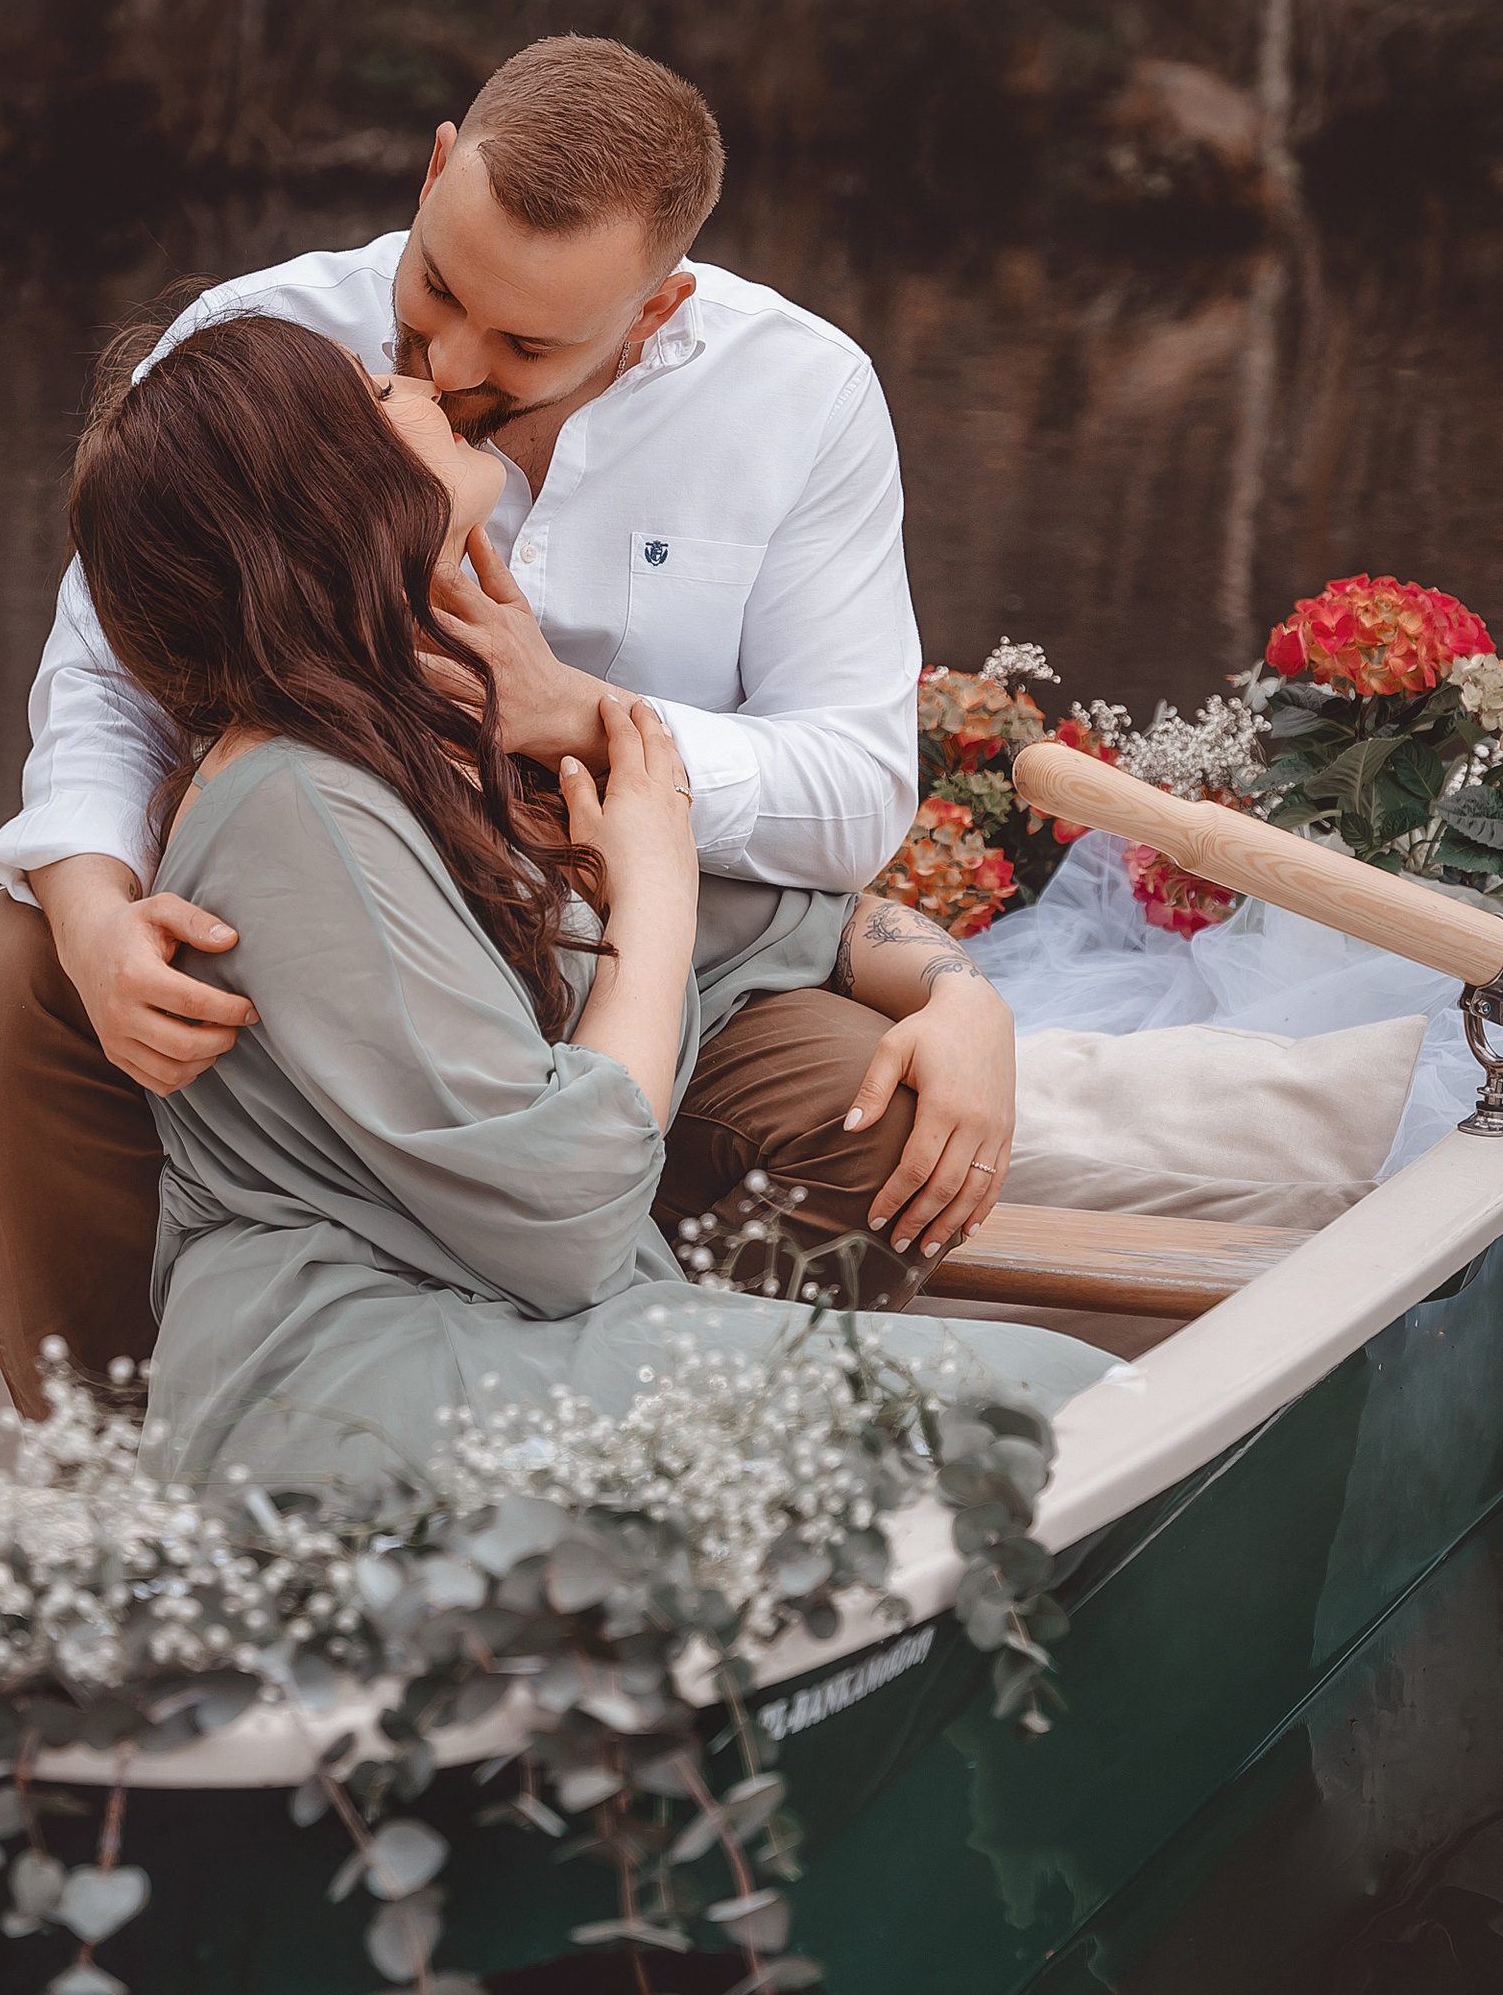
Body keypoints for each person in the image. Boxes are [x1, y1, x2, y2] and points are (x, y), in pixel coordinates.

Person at [0, 33, 1019, 1398]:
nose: (440, 361)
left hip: (616, 930)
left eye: (525, 342)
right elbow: (105, 677)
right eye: (436, 290)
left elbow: (854, 793)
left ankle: (639, 1387)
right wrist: (90, 916)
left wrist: (586, 724)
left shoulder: (802, 397)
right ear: (439, 167)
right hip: (328, 939)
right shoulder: (255, 353)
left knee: (883, 1116)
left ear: (655, 309)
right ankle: (104, 1452)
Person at [59, 311, 1107, 1488]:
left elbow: (785, 923)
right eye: (372, 392)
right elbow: (563, 1223)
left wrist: (959, 993)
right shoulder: (301, 804)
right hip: (351, 1383)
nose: (422, 384)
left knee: (1069, 1401)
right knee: (1070, 1406)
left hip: (493, 1333)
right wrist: (648, 891)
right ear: (331, 493)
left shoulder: (428, 741)